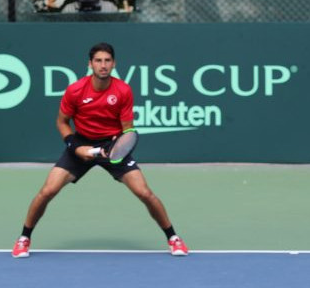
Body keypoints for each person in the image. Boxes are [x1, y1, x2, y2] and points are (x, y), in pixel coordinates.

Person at [11, 42, 188, 258]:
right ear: (90, 64)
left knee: (144, 192)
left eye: (107, 61)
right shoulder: (75, 90)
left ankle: (173, 238)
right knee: (48, 190)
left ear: (113, 64)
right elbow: (62, 122)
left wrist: (114, 149)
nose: (103, 65)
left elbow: (128, 131)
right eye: (98, 61)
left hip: (112, 145)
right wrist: (76, 148)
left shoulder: (123, 90)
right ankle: (23, 238)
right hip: (80, 142)